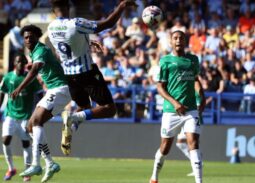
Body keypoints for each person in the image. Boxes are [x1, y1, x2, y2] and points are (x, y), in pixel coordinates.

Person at [48, 0, 138, 155]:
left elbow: (65, 47)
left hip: (69, 75)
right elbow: (107, 24)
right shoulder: (76, 23)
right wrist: (122, 6)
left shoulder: (50, 28)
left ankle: (71, 126)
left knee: (85, 107)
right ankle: (73, 118)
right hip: (87, 72)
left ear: (54, 11)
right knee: (109, 109)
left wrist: (87, 45)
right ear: (68, 8)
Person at [10, 25, 72, 183]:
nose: (28, 39)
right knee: (30, 126)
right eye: (25, 37)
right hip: (53, 90)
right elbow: (39, 65)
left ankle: (36, 164)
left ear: (37, 37)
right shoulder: (34, 52)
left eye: (31, 36)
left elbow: (36, 69)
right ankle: (50, 163)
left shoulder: (40, 50)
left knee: (36, 121)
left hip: (61, 89)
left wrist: (19, 88)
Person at [149, 30, 205, 183]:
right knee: (165, 146)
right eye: (175, 38)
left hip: (190, 109)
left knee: (193, 141)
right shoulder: (165, 60)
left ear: (185, 41)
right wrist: (175, 103)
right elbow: (160, 87)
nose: (178, 40)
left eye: (181, 37)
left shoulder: (193, 60)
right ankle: (154, 177)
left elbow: (195, 79)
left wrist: (202, 95)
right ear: (171, 41)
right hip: (171, 111)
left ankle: (199, 181)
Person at [0, 53, 42, 182]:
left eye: (22, 61)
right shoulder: (8, 77)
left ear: (25, 64)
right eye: (18, 61)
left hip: (25, 117)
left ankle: (27, 171)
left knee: (25, 144)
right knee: (6, 140)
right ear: (14, 63)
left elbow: (40, 94)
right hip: (10, 115)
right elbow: (2, 93)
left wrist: (41, 111)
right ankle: (11, 168)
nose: (20, 64)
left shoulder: (31, 78)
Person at [176, 92, 204, 177]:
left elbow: (199, 109)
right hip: (186, 120)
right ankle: (198, 162)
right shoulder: (186, 92)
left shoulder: (196, 94)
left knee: (191, 144)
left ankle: (197, 164)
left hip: (195, 121)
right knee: (181, 143)